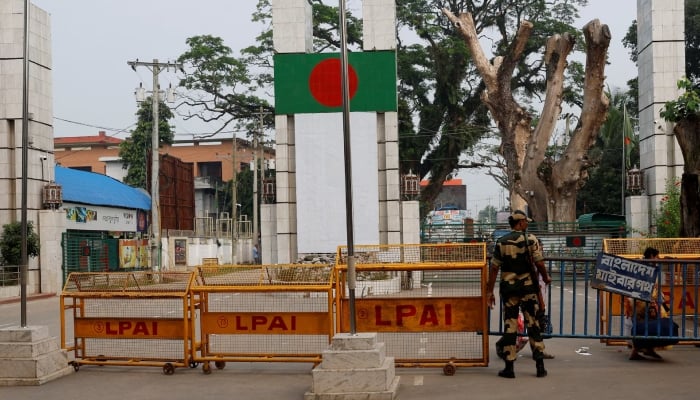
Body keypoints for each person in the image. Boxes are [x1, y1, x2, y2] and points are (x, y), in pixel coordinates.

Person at [487, 210, 551, 378]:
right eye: (525, 221)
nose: (527, 224)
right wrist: (546, 277)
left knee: (510, 326)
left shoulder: (501, 242)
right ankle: (540, 366)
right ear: (520, 222)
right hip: (528, 289)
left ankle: (509, 367)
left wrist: (489, 291)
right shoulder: (531, 239)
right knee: (533, 325)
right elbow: (540, 263)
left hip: (509, 290)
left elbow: (494, 268)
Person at [627, 247, 678, 360]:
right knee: (643, 326)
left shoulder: (648, 266)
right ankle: (636, 351)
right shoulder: (645, 267)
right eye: (656, 256)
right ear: (651, 255)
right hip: (643, 301)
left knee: (649, 326)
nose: (658, 258)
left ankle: (648, 349)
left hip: (645, 300)